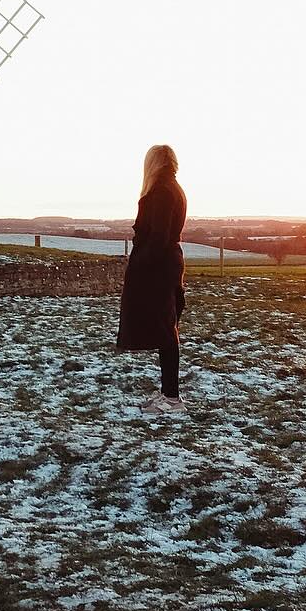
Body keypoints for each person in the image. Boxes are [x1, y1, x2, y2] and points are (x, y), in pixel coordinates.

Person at [116, 144, 188, 414]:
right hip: (166, 264)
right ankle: (168, 392)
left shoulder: (162, 191)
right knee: (165, 328)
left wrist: (140, 265)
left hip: (158, 268)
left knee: (166, 330)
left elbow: (158, 237)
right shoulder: (171, 188)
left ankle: (172, 398)